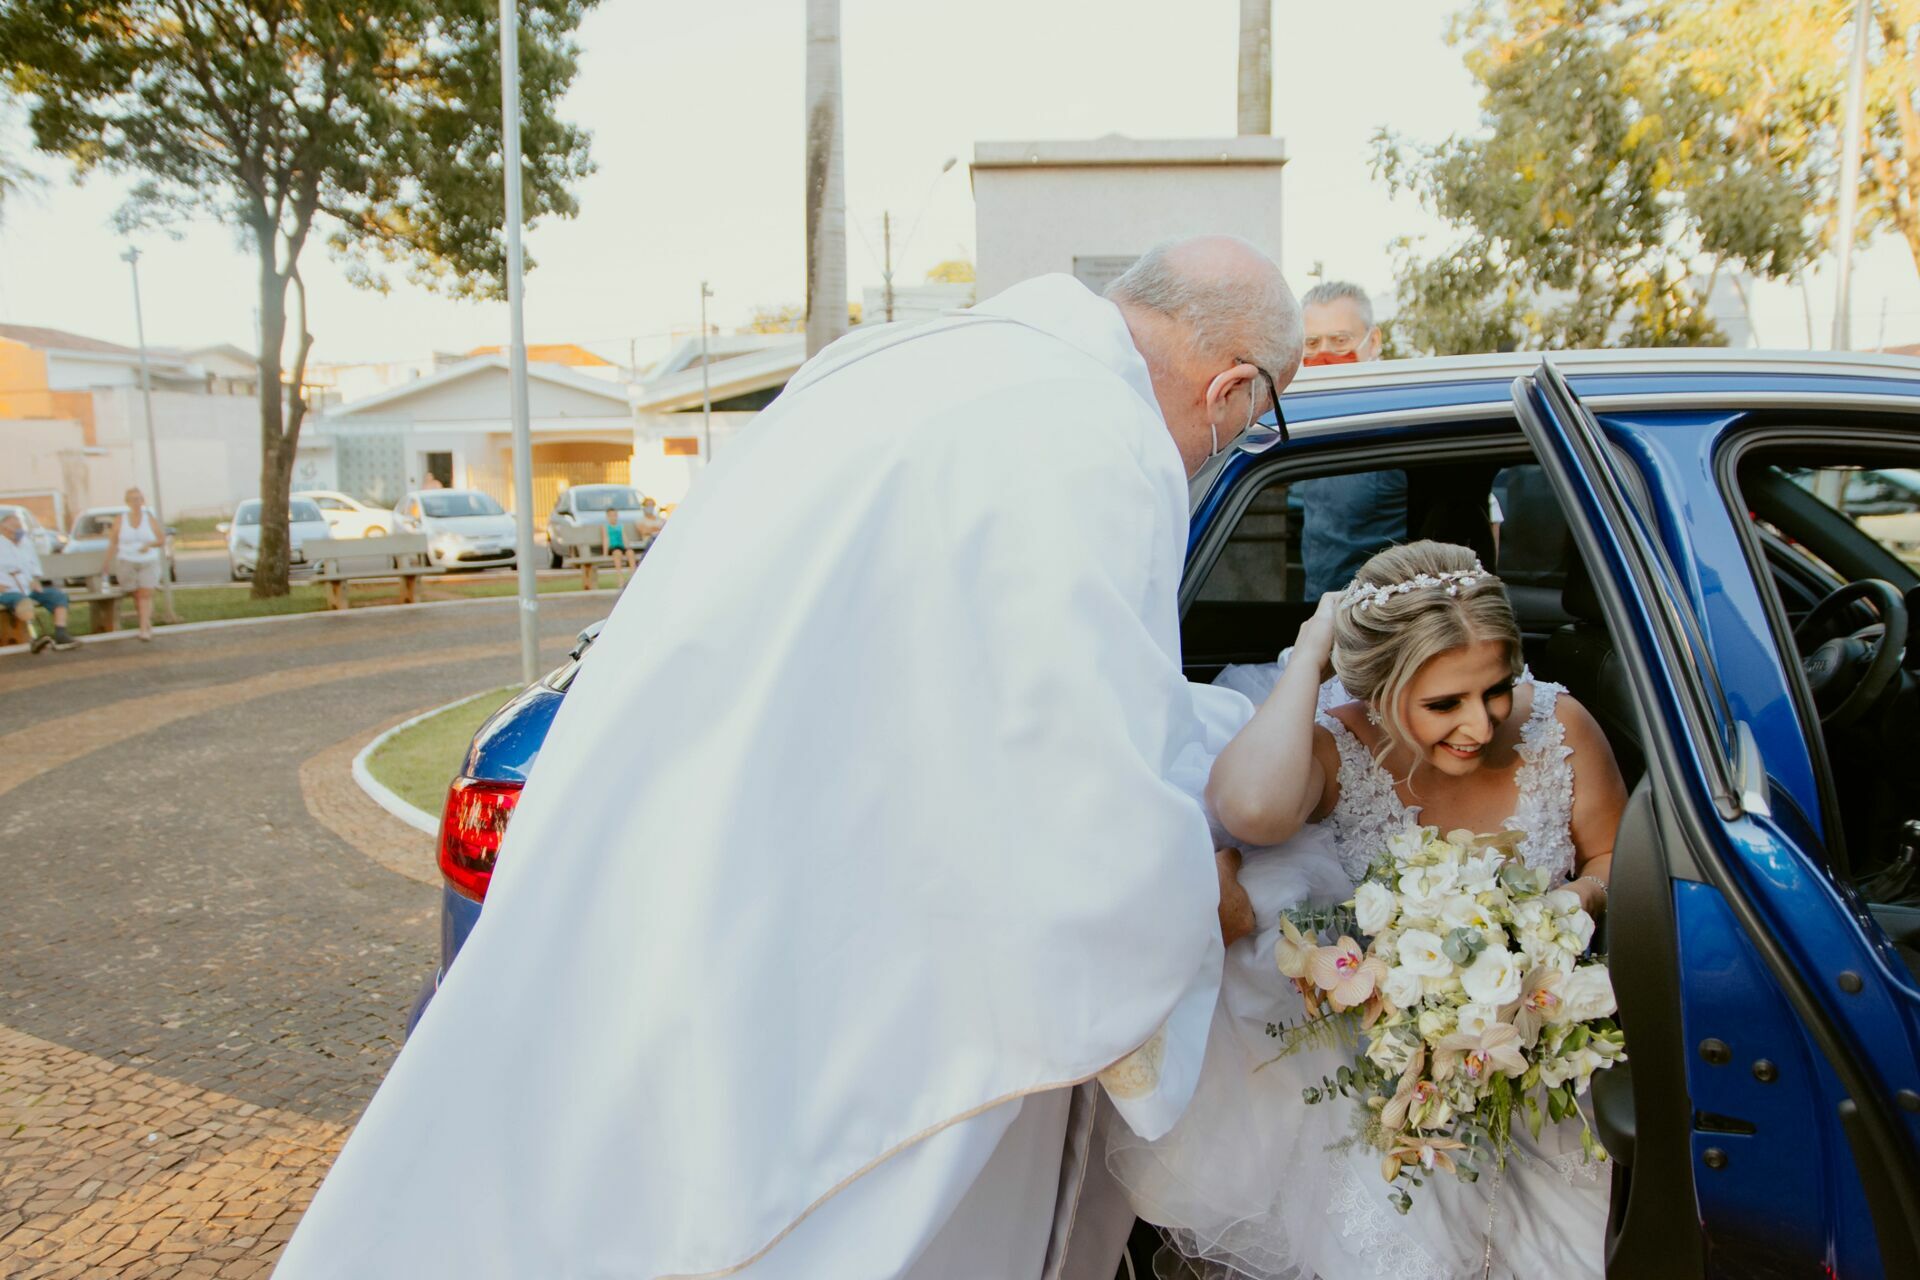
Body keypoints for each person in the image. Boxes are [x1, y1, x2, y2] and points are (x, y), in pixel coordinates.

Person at [275, 235, 1305, 1280]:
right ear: (1230, 388)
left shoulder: (892, 363)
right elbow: (1081, 779)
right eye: (1262, 414)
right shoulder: (1103, 441)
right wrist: (1195, 889)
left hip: (692, 858)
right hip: (880, 979)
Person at [1110, 540, 1628, 1280]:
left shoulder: (1561, 729)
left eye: (1497, 689)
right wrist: (1311, 655)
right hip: (1384, 1093)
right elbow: (1251, 809)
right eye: (1444, 703)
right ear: (1379, 691)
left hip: (1536, 1062)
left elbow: (1613, 860)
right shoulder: (1337, 748)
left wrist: (1558, 912)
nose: (1479, 726)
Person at [1291, 281, 1407, 600]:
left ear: (1374, 341)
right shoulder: (1309, 413)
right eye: (1312, 343)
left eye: (1340, 341)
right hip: (1318, 602)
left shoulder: (1406, 413)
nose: (1324, 354)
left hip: (1383, 615)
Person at [1, 511, 77, 651]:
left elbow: (34, 565)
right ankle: (33, 638)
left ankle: (61, 633)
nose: (18, 530)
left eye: (19, 526)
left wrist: (35, 580)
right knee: (23, 602)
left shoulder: (25, 543)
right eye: (14, 527)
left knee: (57, 596)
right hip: (7, 590)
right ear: (3, 528)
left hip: (29, 587)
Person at [100, 488, 166, 642]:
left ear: (142, 501)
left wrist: (150, 544)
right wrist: (106, 563)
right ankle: (146, 621)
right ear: (127, 502)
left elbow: (161, 539)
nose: (135, 502)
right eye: (132, 499)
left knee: (145, 593)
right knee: (137, 595)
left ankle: (143, 628)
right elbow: (113, 542)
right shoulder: (120, 519)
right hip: (127, 560)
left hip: (147, 561)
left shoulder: (149, 518)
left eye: (138, 499)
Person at [601, 505, 634, 576]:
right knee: (617, 553)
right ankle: (620, 576)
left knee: (630, 553)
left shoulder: (621, 526)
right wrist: (605, 553)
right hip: (613, 547)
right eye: (611, 516)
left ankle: (633, 573)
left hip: (621, 546)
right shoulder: (605, 527)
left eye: (615, 515)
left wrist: (627, 547)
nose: (613, 517)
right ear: (607, 517)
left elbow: (624, 538)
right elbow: (605, 539)